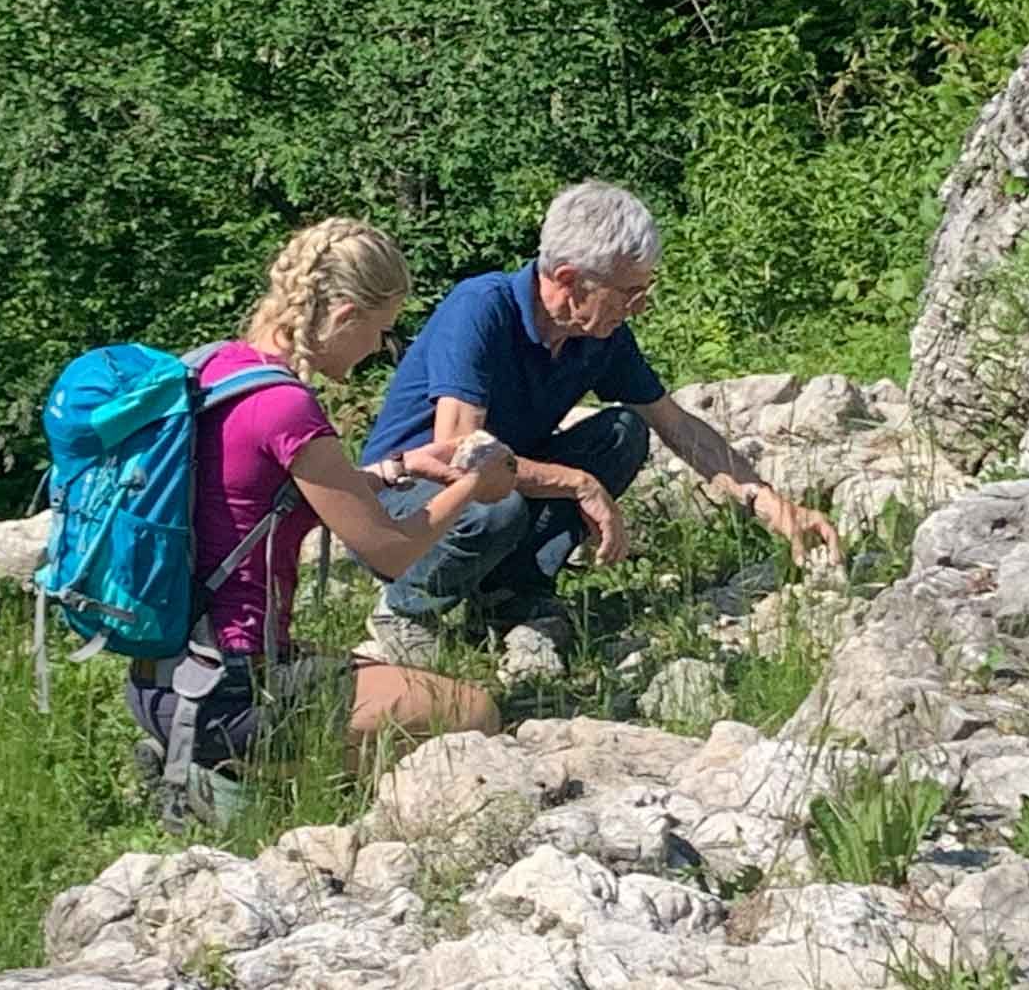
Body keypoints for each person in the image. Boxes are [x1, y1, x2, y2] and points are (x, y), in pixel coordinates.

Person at [126, 217, 515, 829]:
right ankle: (230, 781)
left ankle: (196, 752)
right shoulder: (286, 407)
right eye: (381, 331)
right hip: (233, 683)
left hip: (166, 671)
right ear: (343, 315)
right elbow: (390, 552)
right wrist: (475, 484)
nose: (381, 350)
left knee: (375, 676)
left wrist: (401, 468)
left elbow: (276, 492)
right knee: (471, 710)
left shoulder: (218, 370)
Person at [357, 180, 843, 657]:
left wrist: (772, 505)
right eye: (629, 293)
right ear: (569, 280)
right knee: (492, 505)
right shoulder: (482, 308)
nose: (641, 307)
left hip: (494, 484)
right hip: (403, 502)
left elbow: (675, 424)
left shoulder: (598, 334)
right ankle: (403, 610)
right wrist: (578, 483)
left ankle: (509, 595)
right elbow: (460, 455)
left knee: (621, 434)